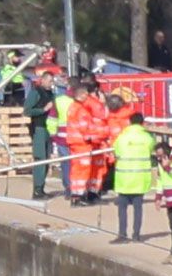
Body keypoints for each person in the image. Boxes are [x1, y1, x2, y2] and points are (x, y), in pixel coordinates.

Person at [110, 112, 155, 243]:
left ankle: (122, 235)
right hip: (140, 178)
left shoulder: (122, 137)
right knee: (138, 209)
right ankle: (136, 235)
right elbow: (151, 150)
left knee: (122, 209)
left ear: (129, 122)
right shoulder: (148, 138)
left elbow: (116, 152)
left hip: (124, 178)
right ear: (142, 123)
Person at [65, 80, 108, 205]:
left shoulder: (73, 107)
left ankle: (76, 195)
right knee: (83, 170)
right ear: (83, 95)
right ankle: (79, 197)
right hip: (82, 144)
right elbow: (86, 129)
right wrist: (99, 137)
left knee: (76, 170)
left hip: (74, 143)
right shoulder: (81, 111)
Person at [22, 70, 58, 200]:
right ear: (42, 80)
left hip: (49, 128)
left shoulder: (51, 94)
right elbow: (27, 111)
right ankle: (37, 190)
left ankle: (41, 188)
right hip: (39, 128)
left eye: (52, 81)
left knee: (47, 160)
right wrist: (43, 109)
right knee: (40, 159)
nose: (51, 83)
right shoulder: (36, 92)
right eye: (49, 81)